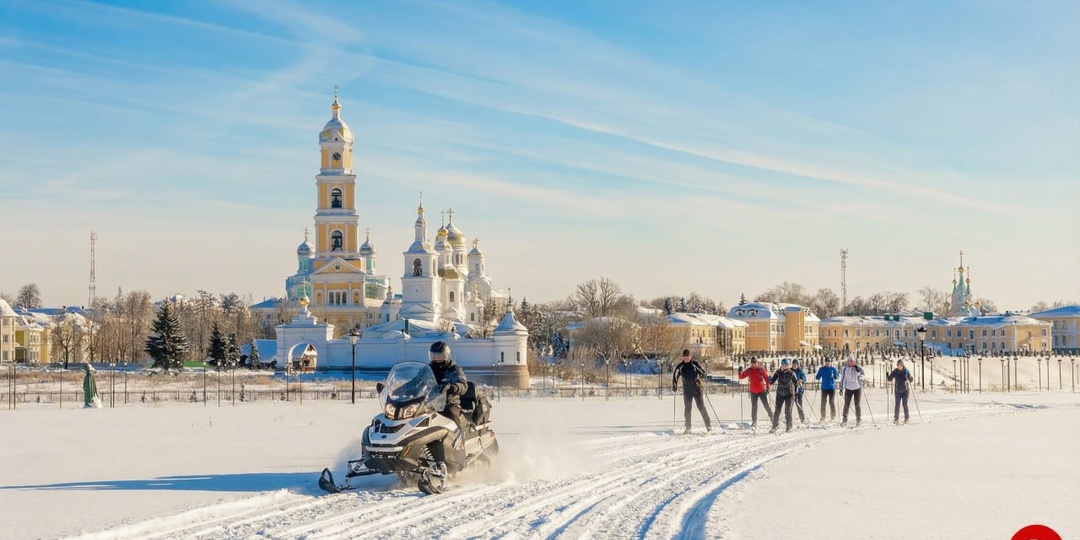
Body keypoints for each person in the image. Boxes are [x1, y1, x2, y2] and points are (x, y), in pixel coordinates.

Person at [428, 341, 468, 472]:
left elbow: (463, 386)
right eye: (434, 356)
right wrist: (394, 389)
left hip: (449, 403)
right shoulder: (428, 369)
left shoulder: (454, 370)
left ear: (446, 356)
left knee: (453, 417)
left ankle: (461, 450)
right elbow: (414, 383)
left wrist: (452, 387)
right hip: (430, 404)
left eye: (439, 356)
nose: (436, 359)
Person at [672, 349, 711, 434]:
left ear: (690, 356)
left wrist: (700, 379)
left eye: (687, 356)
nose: (686, 358)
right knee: (687, 409)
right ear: (683, 357)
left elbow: (703, 373)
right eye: (685, 356)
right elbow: (675, 375)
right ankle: (688, 427)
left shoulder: (695, 364)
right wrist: (674, 385)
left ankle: (708, 426)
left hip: (697, 390)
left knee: (701, 407)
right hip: (687, 391)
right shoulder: (680, 366)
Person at [768, 359, 801, 433]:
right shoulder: (778, 372)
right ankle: (775, 426)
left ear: (789, 366)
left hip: (789, 394)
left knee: (788, 411)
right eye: (783, 366)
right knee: (777, 410)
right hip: (780, 393)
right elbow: (772, 381)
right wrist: (769, 379)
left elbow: (796, 383)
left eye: (786, 366)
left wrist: (796, 393)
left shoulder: (791, 373)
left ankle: (789, 426)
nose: (784, 367)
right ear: (781, 365)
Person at [738, 358, 773, 428]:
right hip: (753, 392)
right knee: (754, 407)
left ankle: (772, 417)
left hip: (762, 391)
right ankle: (754, 421)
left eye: (755, 363)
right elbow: (741, 377)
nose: (753, 364)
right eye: (752, 363)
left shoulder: (761, 369)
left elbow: (766, 379)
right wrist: (739, 371)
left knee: (766, 405)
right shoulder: (749, 370)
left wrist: (768, 388)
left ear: (757, 363)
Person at [887, 359, 914, 424]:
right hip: (897, 391)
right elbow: (890, 379)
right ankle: (896, 419)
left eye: (900, 365)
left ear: (902, 365)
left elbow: (911, 379)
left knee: (904, 404)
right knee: (897, 405)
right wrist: (888, 376)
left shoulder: (906, 371)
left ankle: (906, 418)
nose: (899, 366)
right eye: (898, 365)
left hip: (905, 391)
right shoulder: (895, 371)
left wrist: (910, 378)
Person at [839, 356, 865, 427]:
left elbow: (863, 374)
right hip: (848, 389)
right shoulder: (845, 369)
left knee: (857, 405)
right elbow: (843, 379)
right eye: (849, 361)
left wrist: (861, 377)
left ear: (854, 361)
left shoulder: (857, 367)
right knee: (846, 405)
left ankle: (858, 420)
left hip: (857, 388)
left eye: (852, 361)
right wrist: (841, 388)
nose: (850, 362)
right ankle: (844, 420)